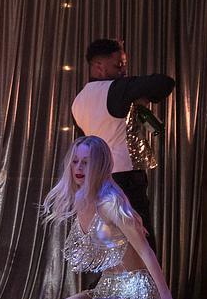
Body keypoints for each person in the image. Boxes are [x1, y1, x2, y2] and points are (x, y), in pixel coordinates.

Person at [42, 136, 192, 299]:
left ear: (100, 165)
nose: (79, 168)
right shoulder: (81, 199)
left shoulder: (111, 202)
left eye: (86, 162)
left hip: (137, 292)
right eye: (75, 161)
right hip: (108, 287)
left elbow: (146, 252)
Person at [72, 38, 175, 247]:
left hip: (97, 178)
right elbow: (164, 82)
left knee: (108, 241)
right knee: (139, 241)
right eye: (118, 65)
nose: (124, 71)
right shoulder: (117, 89)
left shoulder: (78, 100)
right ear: (99, 66)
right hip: (125, 177)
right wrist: (141, 97)